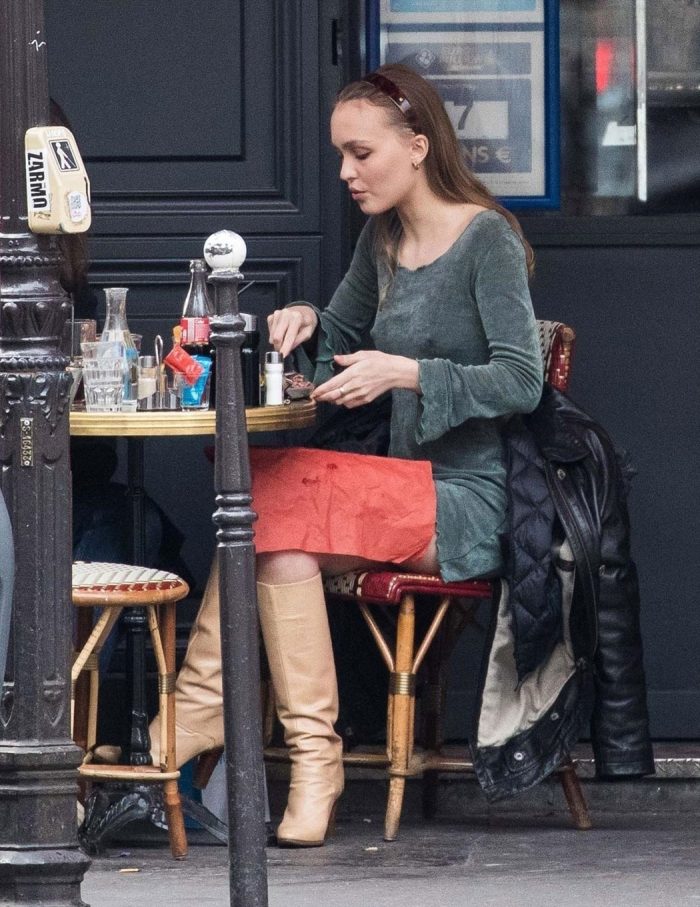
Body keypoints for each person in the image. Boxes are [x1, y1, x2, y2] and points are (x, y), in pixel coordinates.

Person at [147, 63, 543, 847]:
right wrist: (306, 320)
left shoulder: (486, 239)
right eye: (340, 155)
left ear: (418, 145)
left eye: (360, 153)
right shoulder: (384, 238)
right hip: (393, 485)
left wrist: (409, 374)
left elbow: (523, 377)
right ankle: (312, 759)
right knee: (274, 542)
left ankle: (182, 728)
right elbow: (339, 345)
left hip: (465, 494)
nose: (345, 172)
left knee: (257, 500)